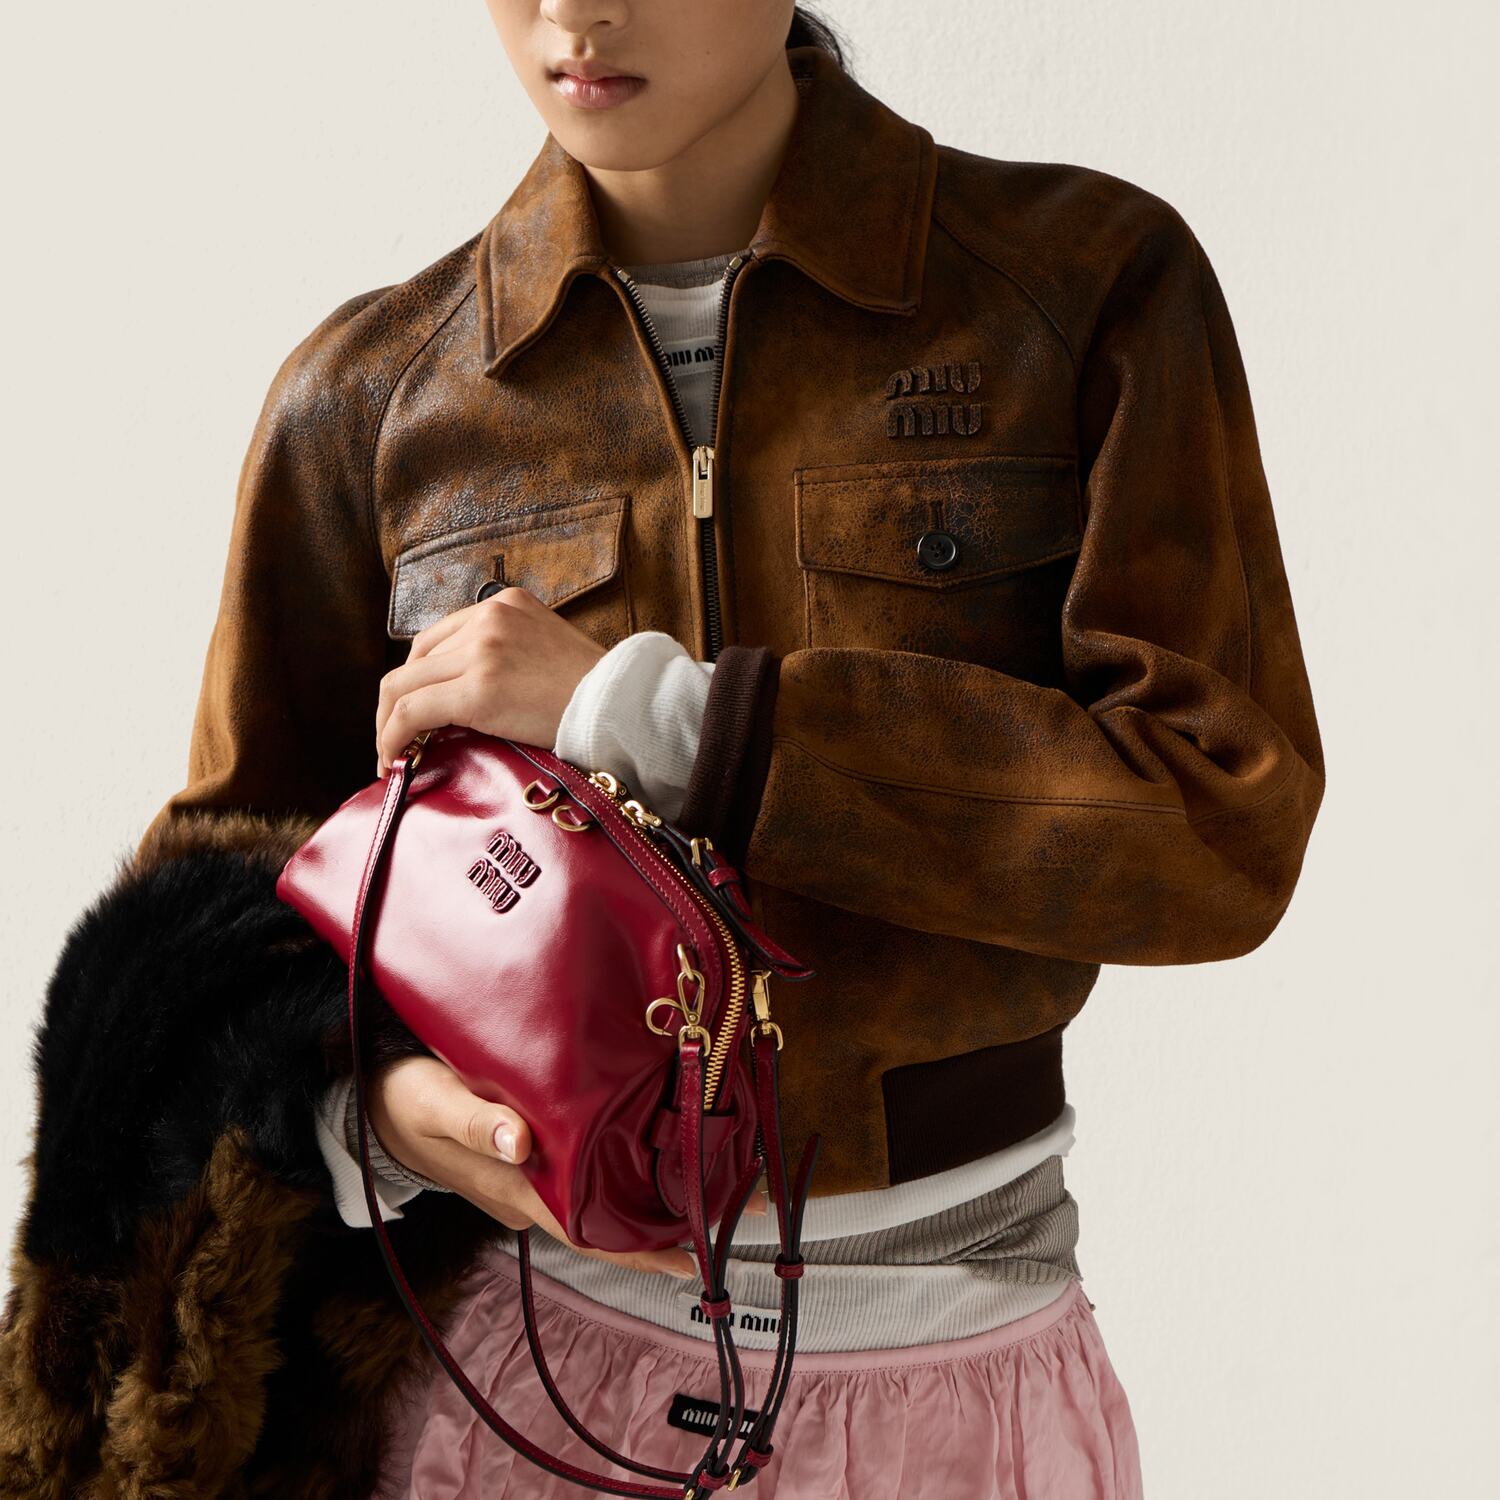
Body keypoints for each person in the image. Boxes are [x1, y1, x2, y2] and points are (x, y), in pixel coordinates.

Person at [0, 4, 1325, 1498]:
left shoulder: (1081, 291)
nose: (578, 11)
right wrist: (369, 1120)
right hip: (513, 1393)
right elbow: (212, 943)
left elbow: (1222, 827)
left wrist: (666, 724)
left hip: (962, 1383)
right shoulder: (374, 397)